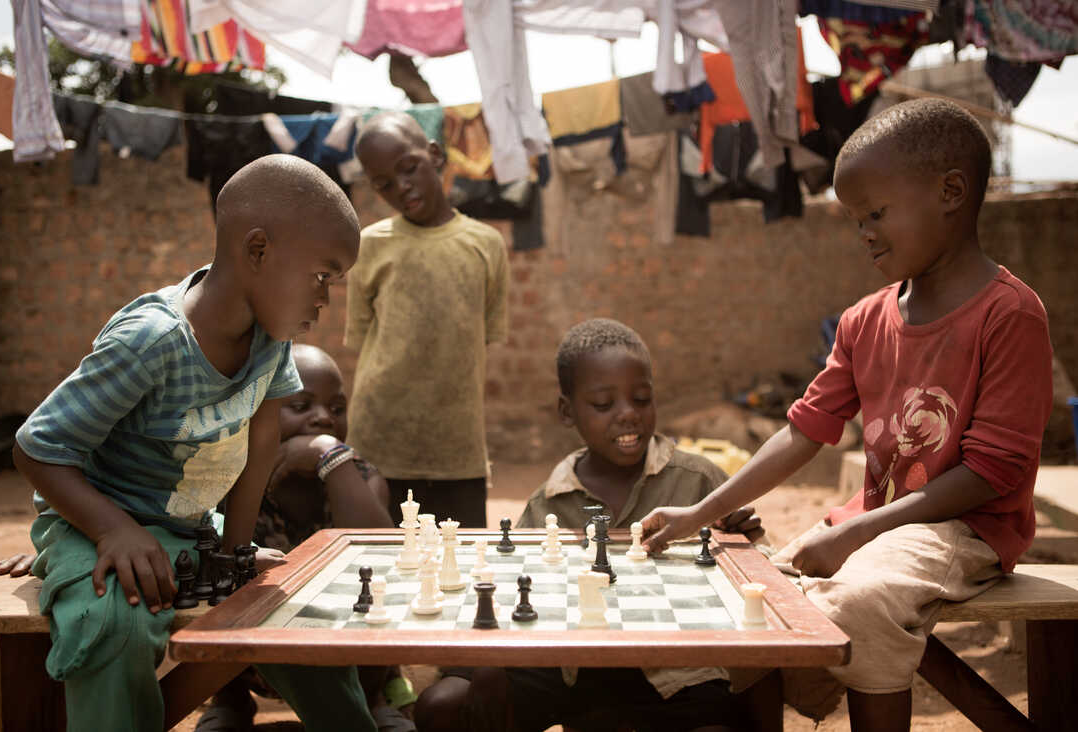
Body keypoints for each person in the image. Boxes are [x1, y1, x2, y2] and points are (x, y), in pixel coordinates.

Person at [640, 99, 1054, 731]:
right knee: (750, 595)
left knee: (860, 601)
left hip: (968, 530)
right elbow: (804, 430)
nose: (864, 233)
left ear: (950, 192)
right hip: (880, 525)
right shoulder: (864, 321)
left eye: (876, 214)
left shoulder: (1009, 315)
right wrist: (702, 513)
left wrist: (856, 534)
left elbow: (990, 473)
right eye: (856, 219)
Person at [12, 154, 379, 732]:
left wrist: (234, 555)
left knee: (301, 613)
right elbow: (37, 448)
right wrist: (110, 530)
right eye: (322, 276)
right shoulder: (152, 341)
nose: (324, 300)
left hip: (188, 528)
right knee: (113, 620)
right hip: (102, 521)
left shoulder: (270, 335)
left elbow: (262, 432)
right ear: (257, 250)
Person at [414, 318, 767, 732]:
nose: (628, 416)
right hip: (567, 665)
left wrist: (748, 543)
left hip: (669, 667)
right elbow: (509, 590)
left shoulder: (699, 481)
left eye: (641, 399)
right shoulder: (549, 500)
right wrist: (492, 661)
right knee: (443, 706)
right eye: (603, 405)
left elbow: (762, 583)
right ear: (567, 411)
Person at [194, 343, 416, 732]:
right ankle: (229, 701)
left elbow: (382, 557)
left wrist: (329, 456)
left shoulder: (358, 476)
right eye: (302, 406)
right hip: (247, 661)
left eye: (336, 408)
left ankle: (377, 697)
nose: (324, 419)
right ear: (258, 413)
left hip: (353, 663)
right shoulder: (229, 479)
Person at [346, 111, 509, 528]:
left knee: (465, 569)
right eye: (383, 184)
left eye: (409, 168)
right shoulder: (368, 246)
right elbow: (365, 340)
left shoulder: (486, 245)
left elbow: (484, 337)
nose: (401, 187)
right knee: (380, 570)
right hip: (379, 443)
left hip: (458, 450)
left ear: (434, 155)